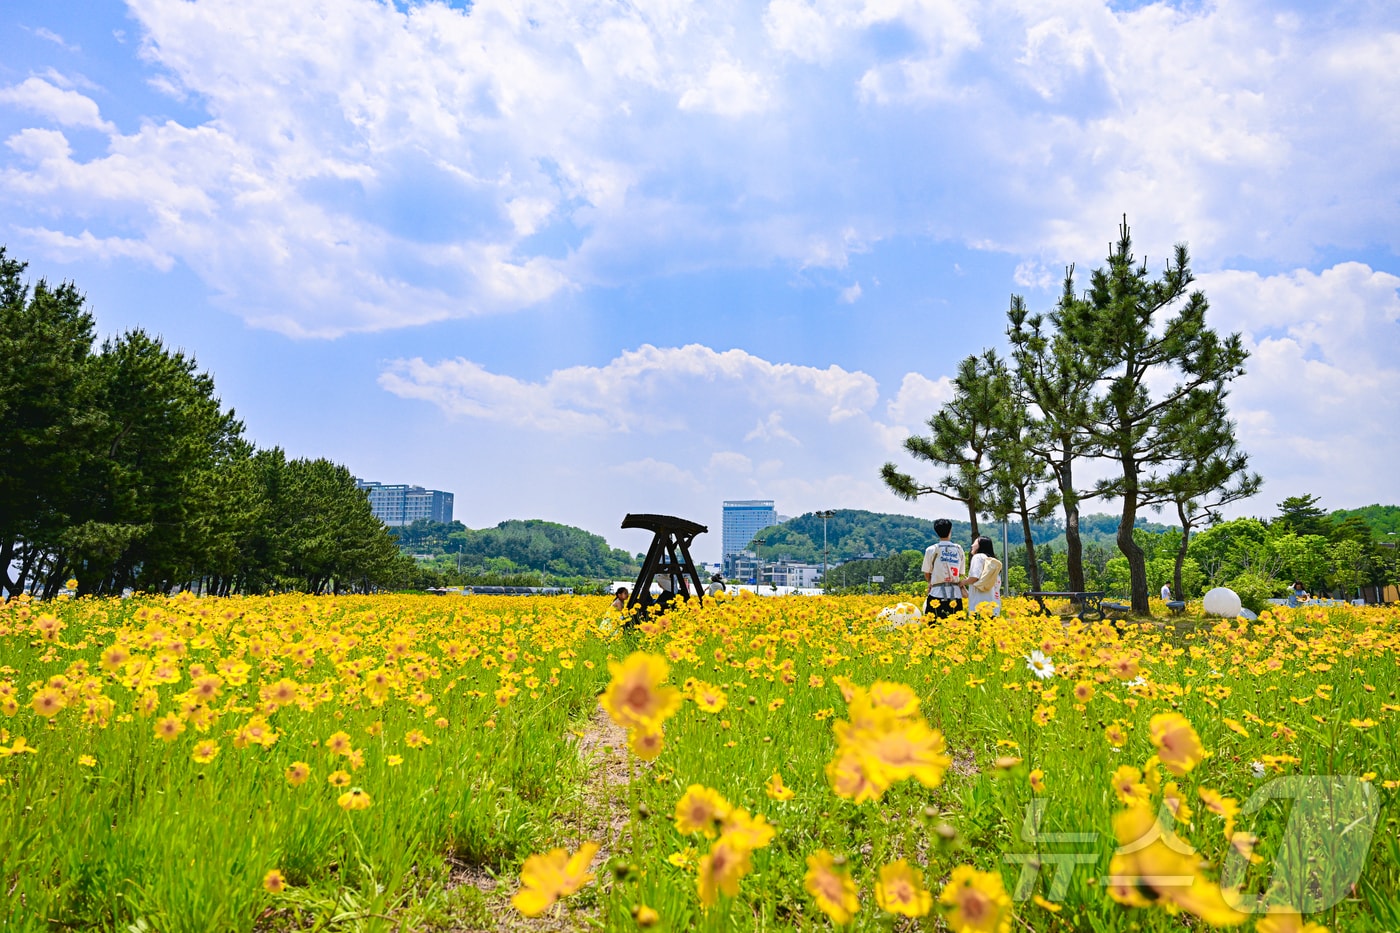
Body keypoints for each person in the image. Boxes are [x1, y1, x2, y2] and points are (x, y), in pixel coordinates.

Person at [922, 518, 965, 620]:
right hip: (955, 594)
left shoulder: (931, 550)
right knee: (957, 628)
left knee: (933, 627)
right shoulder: (959, 549)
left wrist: (930, 582)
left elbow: (927, 573)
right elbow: (960, 573)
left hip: (936, 593)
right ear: (950, 531)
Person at [963, 536, 1003, 618]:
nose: (972, 545)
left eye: (975, 543)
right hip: (994, 608)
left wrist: (961, 582)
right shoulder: (992, 562)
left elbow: (974, 577)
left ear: (980, 546)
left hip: (980, 608)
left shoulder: (978, 557)